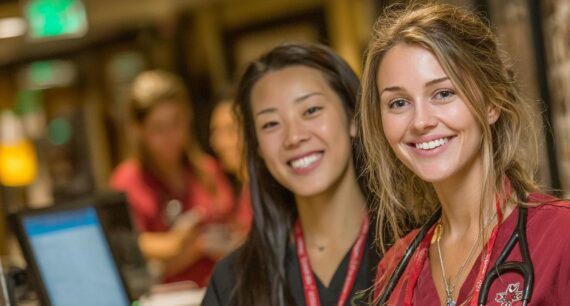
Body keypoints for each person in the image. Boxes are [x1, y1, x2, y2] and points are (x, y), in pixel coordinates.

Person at [360, 3, 570, 305]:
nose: (420, 121)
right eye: (398, 103)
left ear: (492, 102)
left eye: (443, 93)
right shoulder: (397, 268)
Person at [202, 43, 378, 306]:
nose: (294, 137)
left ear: (352, 116)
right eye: (271, 124)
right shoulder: (234, 280)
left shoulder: (422, 252)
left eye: (311, 111)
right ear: (258, 148)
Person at [110, 70, 235, 287]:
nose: (171, 137)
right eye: (159, 129)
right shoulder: (127, 182)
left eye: (177, 123)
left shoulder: (207, 169)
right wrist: (174, 244)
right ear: (138, 130)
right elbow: (125, 244)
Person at [209, 99, 253, 232]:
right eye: (215, 132)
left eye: (230, 131)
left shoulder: (265, 190)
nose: (219, 143)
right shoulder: (244, 187)